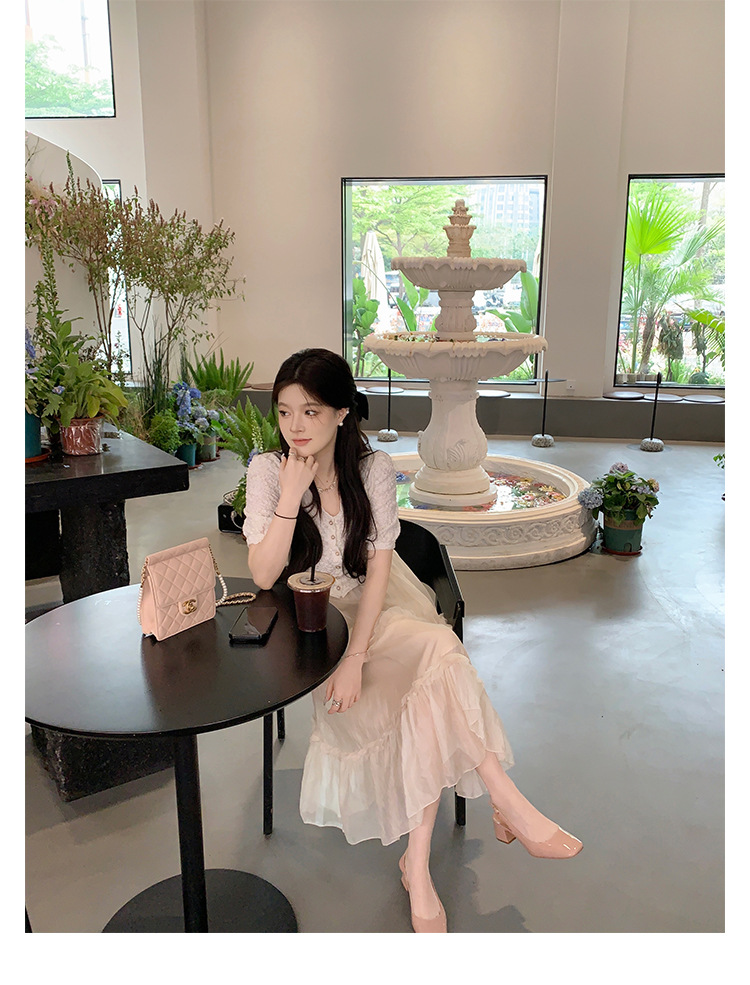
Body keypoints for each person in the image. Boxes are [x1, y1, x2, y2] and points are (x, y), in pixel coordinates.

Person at [243, 348, 582, 933]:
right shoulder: (269, 470)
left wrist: (359, 656)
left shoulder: (372, 468)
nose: (295, 426)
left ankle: (424, 861)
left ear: (343, 413)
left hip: (378, 603)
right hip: (313, 619)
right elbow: (263, 574)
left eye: (311, 411)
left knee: (438, 653)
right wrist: (289, 497)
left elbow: (379, 569)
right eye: (284, 412)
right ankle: (499, 811)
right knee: (422, 695)